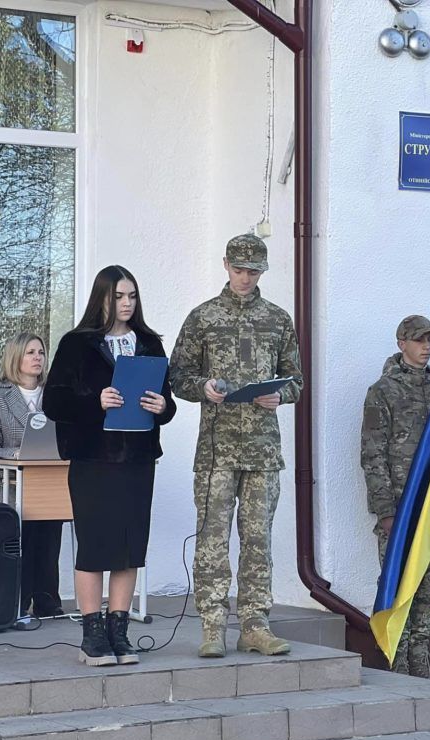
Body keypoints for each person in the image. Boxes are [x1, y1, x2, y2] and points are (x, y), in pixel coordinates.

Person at [169, 233, 304, 659]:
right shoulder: (203, 317)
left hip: (263, 451)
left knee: (258, 539)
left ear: (263, 271)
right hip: (216, 450)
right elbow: (177, 377)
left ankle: (254, 625)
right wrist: (203, 388)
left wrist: (279, 395)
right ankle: (213, 626)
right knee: (212, 539)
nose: (246, 278)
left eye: (254, 271)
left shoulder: (278, 319)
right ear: (226, 265)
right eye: (240, 269)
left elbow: (296, 380)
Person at [44, 266, 176, 666]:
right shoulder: (77, 344)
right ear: (102, 297)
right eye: (119, 296)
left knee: (129, 547)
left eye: (132, 296)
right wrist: (94, 402)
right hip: (93, 459)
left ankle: (120, 632)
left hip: (137, 459)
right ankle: (92, 634)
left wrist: (163, 407)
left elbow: (165, 403)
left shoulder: (150, 343)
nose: (126, 304)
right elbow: (54, 403)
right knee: (96, 545)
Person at [360, 315, 430, 677]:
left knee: (427, 582)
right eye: (418, 340)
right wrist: (385, 510)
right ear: (401, 343)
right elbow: (372, 453)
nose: (426, 347)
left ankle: (421, 653)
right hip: (400, 507)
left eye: (429, 341)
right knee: (398, 580)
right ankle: (398, 655)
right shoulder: (383, 391)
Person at [0, 332, 63, 618]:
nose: (38, 358)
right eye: (30, 353)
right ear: (16, 358)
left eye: (40, 352)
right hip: (6, 482)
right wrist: (16, 454)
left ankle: (47, 600)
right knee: (25, 521)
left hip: (48, 481)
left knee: (50, 521)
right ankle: (19, 600)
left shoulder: (55, 393)